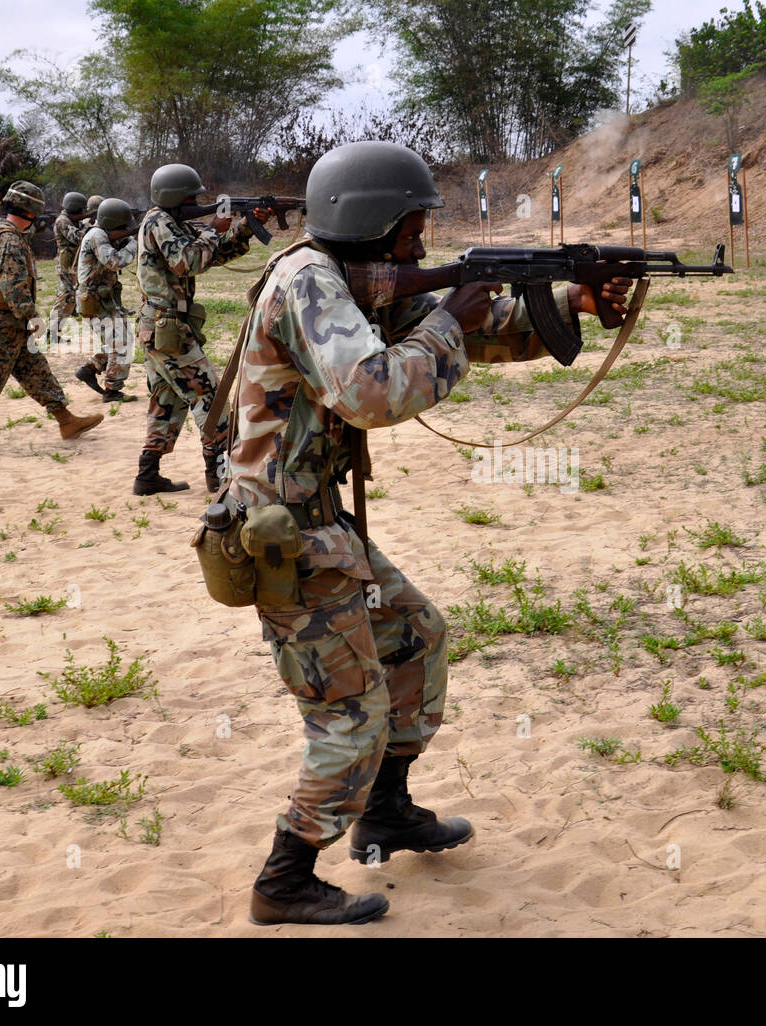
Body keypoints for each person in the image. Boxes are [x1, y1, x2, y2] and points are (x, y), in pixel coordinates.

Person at [223, 141, 630, 926]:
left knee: (416, 634)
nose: (422, 241)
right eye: (413, 225)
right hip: (284, 539)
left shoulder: (353, 280)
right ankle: (285, 877)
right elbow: (372, 391)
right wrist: (450, 313)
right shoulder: (309, 283)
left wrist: (574, 301)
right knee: (352, 710)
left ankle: (387, 811)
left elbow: (465, 331)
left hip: (319, 525)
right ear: (374, 218)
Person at [132, 164, 267, 496]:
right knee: (212, 399)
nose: (197, 201)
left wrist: (246, 227)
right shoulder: (159, 223)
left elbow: (212, 256)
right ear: (177, 196)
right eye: (193, 197)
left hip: (162, 326)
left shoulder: (170, 222)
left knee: (168, 400)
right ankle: (220, 476)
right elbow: (189, 261)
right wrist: (212, 228)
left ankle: (147, 475)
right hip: (167, 328)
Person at [0, 181, 104, 455]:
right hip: (3, 322)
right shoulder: (9, 239)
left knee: (36, 371)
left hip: (7, 320)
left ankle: (66, 420)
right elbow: (13, 286)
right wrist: (32, 318)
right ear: (31, 211)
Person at [73, 199, 139, 403]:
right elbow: (115, 262)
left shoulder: (101, 233)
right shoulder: (97, 235)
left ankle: (90, 368)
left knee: (120, 338)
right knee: (122, 342)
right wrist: (134, 243)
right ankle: (112, 390)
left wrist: (128, 237)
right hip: (94, 300)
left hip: (103, 298)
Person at [51, 192, 87, 331]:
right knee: (65, 297)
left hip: (71, 262)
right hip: (66, 264)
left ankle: (54, 331)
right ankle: (52, 332)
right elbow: (78, 238)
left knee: (69, 297)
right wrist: (87, 225)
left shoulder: (70, 219)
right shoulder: (63, 221)